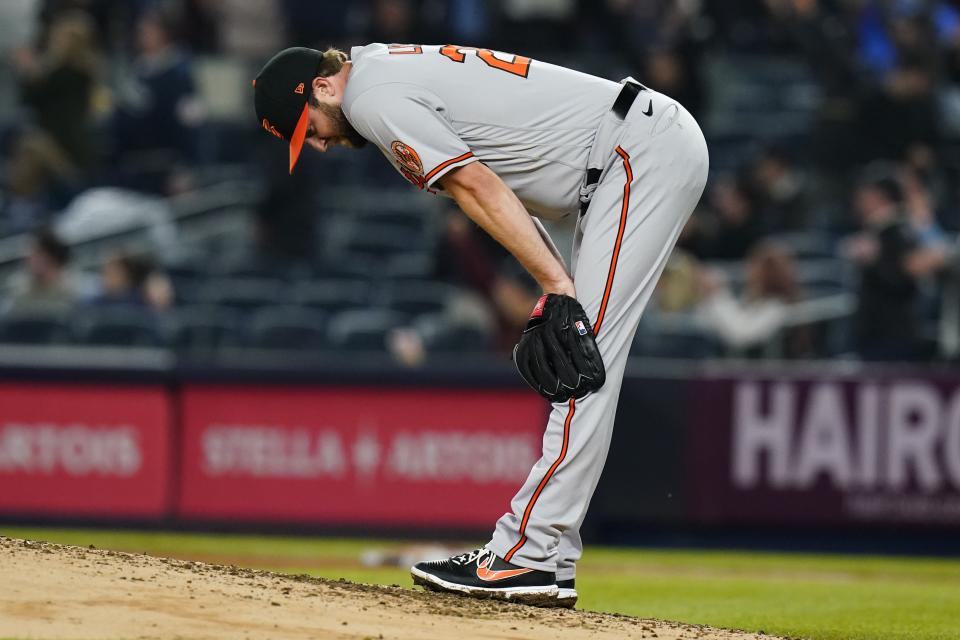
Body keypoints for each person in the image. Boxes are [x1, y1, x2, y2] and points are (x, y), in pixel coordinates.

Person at [252, 43, 708, 607]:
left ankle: (527, 555)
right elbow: (494, 188)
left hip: (635, 154)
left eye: (308, 128)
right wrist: (556, 282)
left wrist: (558, 288)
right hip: (624, 156)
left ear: (321, 88)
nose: (318, 142)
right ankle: (549, 558)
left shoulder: (370, 96)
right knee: (582, 362)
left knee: (584, 365)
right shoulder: (383, 75)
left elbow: (475, 187)